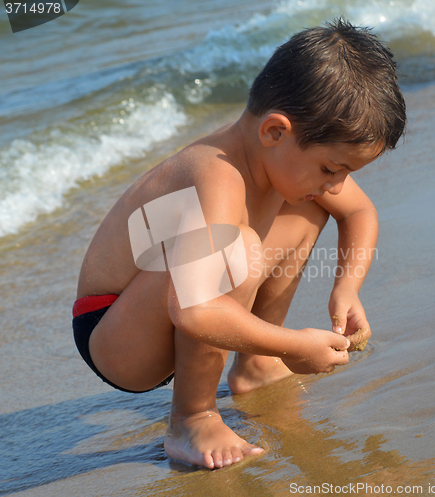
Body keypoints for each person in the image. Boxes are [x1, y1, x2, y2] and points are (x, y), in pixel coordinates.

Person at [72, 19, 406, 470]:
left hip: (182, 300)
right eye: (331, 169)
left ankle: (254, 367)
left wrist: (347, 289)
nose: (337, 183)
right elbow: (194, 307)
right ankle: (191, 417)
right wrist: (291, 344)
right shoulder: (216, 174)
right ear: (275, 131)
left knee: (308, 206)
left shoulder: (280, 160)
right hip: (117, 334)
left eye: (346, 172)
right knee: (238, 250)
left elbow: (359, 212)